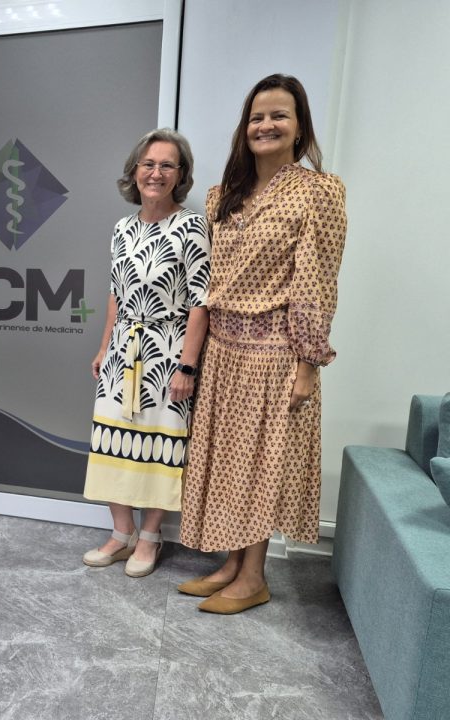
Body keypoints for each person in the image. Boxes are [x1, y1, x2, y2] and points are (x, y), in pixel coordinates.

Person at [178, 74, 347, 613]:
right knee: (229, 464)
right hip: (223, 349)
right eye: (257, 117)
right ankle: (232, 564)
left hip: (276, 353)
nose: (266, 125)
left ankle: (254, 577)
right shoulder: (222, 195)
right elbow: (211, 278)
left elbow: (317, 283)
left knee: (260, 467)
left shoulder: (319, 192)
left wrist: (308, 364)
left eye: (279, 116)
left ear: (300, 128)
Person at [83, 128, 210, 578]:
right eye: (148, 164)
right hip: (123, 351)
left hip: (168, 352)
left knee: (160, 447)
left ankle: (151, 537)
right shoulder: (122, 228)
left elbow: (201, 302)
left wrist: (187, 366)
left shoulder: (192, 226)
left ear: (180, 174)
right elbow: (115, 293)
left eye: (167, 165)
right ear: (134, 171)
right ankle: (122, 533)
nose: (156, 173)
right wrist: (104, 347)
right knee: (112, 442)